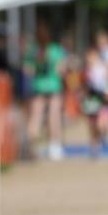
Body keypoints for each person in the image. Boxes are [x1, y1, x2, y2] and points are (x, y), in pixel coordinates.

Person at [24, 21, 66, 160]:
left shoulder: (32, 51)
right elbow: (61, 70)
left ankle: (31, 146)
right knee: (54, 117)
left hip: (38, 87)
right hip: (54, 87)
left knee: (35, 118)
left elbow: (28, 70)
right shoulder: (56, 50)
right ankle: (54, 147)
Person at [80, 47, 108, 158]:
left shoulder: (103, 68)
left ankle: (103, 136)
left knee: (101, 124)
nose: (90, 60)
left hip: (103, 98)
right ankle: (94, 147)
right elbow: (82, 86)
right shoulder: (85, 72)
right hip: (91, 100)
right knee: (92, 125)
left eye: (92, 58)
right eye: (88, 58)